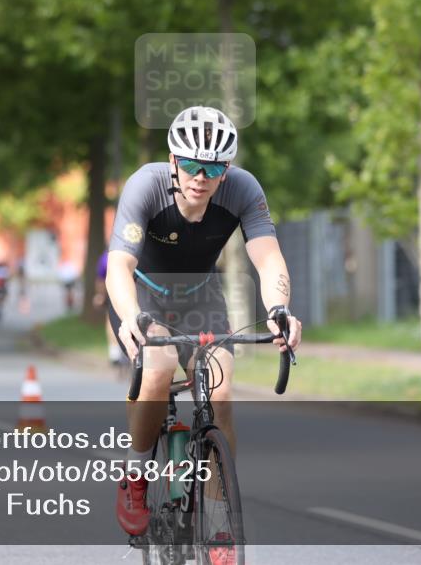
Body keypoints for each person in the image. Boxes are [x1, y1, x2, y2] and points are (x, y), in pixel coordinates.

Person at [106, 106, 302, 544]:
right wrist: (130, 317)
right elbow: (118, 266)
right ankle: (135, 473)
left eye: (212, 167)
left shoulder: (243, 190)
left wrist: (279, 309)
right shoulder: (146, 185)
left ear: (226, 169)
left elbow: (268, 258)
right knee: (156, 373)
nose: (200, 176)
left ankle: (217, 522)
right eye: (191, 165)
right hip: (143, 295)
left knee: (222, 389)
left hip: (200, 294)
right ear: (174, 161)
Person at [92, 249, 123, 370]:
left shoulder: (106, 256)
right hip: (114, 292)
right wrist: (100, 295)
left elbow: (100, 279)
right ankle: (114, 352)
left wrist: (100, 295)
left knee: (111, 320)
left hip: (124, 292)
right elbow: (101, 278)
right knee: (110, 320)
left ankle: (115, 353)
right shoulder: (106, 257)